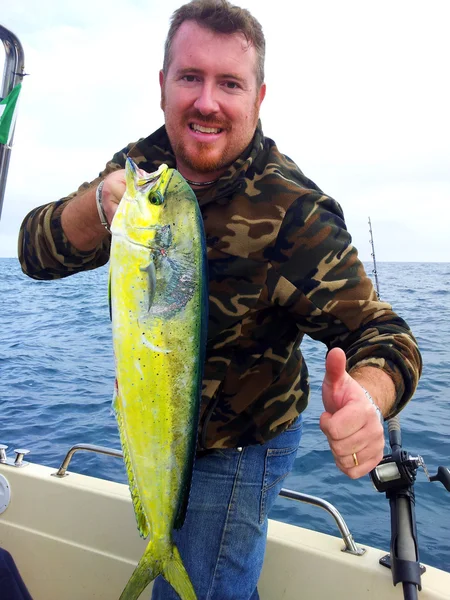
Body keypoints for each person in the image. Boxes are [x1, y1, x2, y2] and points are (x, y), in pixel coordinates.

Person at [18, 1, 422, 598]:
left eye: (229, 83)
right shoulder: (141, 172)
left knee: (203, 587)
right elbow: (34, 254)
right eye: (190, 77)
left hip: (240, 446)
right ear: (162, 86)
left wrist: (368, 396)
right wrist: (98, 208)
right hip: (151, 420)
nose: (207, 101)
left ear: (258, 98)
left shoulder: (294, 212)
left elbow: (387, 338)